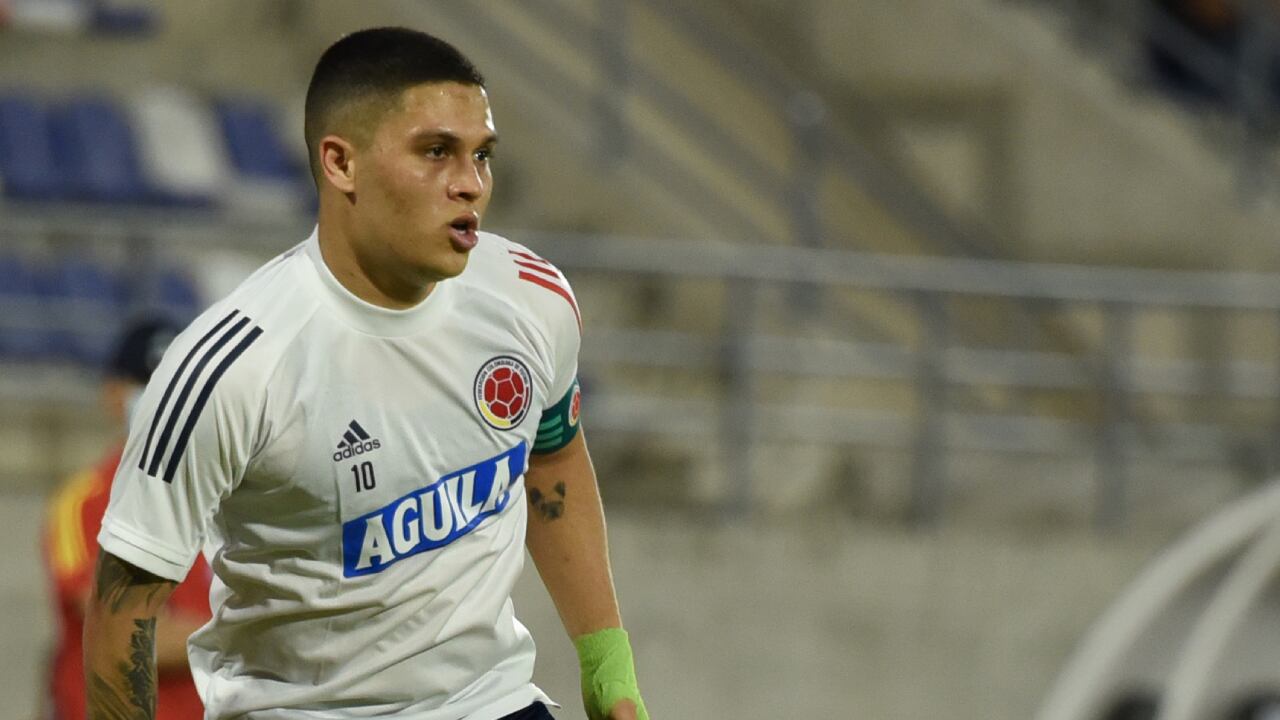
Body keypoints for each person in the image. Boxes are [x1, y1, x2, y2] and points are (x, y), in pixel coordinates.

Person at [82, 26, 649, 720]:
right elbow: (122, 612)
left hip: (490, 704)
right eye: (436, 151)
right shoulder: (231, 368)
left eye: (482, 155)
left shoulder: (531, 299)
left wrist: (607, 666)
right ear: (340, 163)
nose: (470, 183)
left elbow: (553, 461)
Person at [42, 316, 212, 719]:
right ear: (113, 394)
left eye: (177, 385)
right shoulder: (85, 503)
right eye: (148, 384)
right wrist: (244, 635)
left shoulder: (224, 494)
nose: (165, 399)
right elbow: (122, 635)